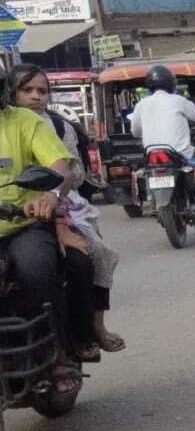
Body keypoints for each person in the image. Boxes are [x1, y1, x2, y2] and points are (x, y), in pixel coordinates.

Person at [9, 65, 123, 354]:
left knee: (87, 256)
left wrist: (53, 196)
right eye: (27, 90)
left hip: (55, 204)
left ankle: (85, 332)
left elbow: (70, 170)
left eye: (41, 91)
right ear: (12, 92)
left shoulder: (50, 126)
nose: (35, 96)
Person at [0, 94, 87, 392]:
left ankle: (59, 354)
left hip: (21, 225)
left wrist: (51, 194)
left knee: (37, 269)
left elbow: (58, 165)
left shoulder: (23, 121)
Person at [131, 64, 195, 203]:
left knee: (145, 171)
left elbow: (135, 131)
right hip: (181, 152)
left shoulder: (141, 104)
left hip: (151, 154)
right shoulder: (179, 101)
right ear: (171, 83)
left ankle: (151, 198)